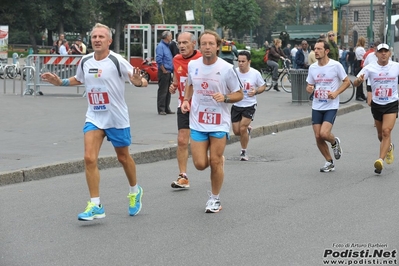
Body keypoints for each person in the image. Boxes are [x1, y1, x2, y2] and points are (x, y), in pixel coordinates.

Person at [41, 23, 148, 221]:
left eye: (101, 37)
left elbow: (141, 81)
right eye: (94, 37)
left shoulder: (117, 60)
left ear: (109, 41)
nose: (97, 40)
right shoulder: (85, 60)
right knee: (89, 158)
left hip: (116, 117)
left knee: (123, 158)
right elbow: (78, 79)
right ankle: (96, 204)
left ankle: (135, 191)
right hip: (95, 116)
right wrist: (61, 82)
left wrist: (136, 81)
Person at [181, 30, 243, 213]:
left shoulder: (226, 68)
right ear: (199, 46)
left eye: (211, 44)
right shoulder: (193, 65)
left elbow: (239, 94)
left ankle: (214, 199)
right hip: (198, 121)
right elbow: (190, 84)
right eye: (204, 44)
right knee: (200, 164)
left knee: (214, 161)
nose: (207, 47)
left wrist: (225, 97)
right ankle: (218, 160)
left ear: (217, 46)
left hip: (219, 122)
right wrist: (186, 100)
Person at [306, 39, 350, 172]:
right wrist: (309, 88)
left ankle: (334, 142)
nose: (316, 51)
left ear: (326, 51)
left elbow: (347, 82)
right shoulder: (313, 67)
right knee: (318, 136)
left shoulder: (335, 65)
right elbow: (310, 84)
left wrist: (336, 92)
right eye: (315, 49)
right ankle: (329, 161)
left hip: (330, 105)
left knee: (324, 134)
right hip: (317, 105)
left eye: (319, 49)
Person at [353, 44, 398, 174]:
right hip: (377, 104)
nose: (383, 54)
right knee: (380, 135)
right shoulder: (370, 68)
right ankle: (389, 147)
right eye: (380, 52)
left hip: (392, 103)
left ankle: (380, 160)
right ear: (376, 54)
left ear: (389, 54)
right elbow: (355, 82)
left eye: (386, 51)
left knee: (386, 131)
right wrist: (359, 81)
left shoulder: (396, 66)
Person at [168, 32, 202, 189]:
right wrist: (174, 86)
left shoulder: (202, 58)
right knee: (182, 140)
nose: (181, 45)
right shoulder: (176, 59)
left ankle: (216, 161)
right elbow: (177, 79)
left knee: (202, 144)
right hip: (183, 104)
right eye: (179, 42)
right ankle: (183, 176)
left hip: (202, 106)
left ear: (193, 43)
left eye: (185, 43)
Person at [232, 50, 266, 161]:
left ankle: (243, 152)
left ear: (249, 61)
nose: (240, 63)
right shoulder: (234, 72)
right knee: (237, 131)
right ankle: (248, 130)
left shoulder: (255, 73)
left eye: (243, 61)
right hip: (237, 104)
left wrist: (255, 91)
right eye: (239, 61)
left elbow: (263, 86)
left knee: (242, 128)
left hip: (249, 104)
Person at [156, 30, 174, 115]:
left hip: (168, 71)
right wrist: (163, 70)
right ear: (167, 37)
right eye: (170, 35)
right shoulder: (161, 46)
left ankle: (167, 108)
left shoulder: (168, 46)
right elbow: (159, 59)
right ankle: (161, 109)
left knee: (168, 91)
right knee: (163, 91)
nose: (171, 37)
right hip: (164, 71)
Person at [354, 36, 366, 101]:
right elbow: (364, 56)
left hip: (358, 63)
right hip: (361, 63)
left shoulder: (357, 48)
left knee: (360, 80)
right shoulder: (361, 49)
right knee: (360, 80)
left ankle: (361, 94)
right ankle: (358, 95)